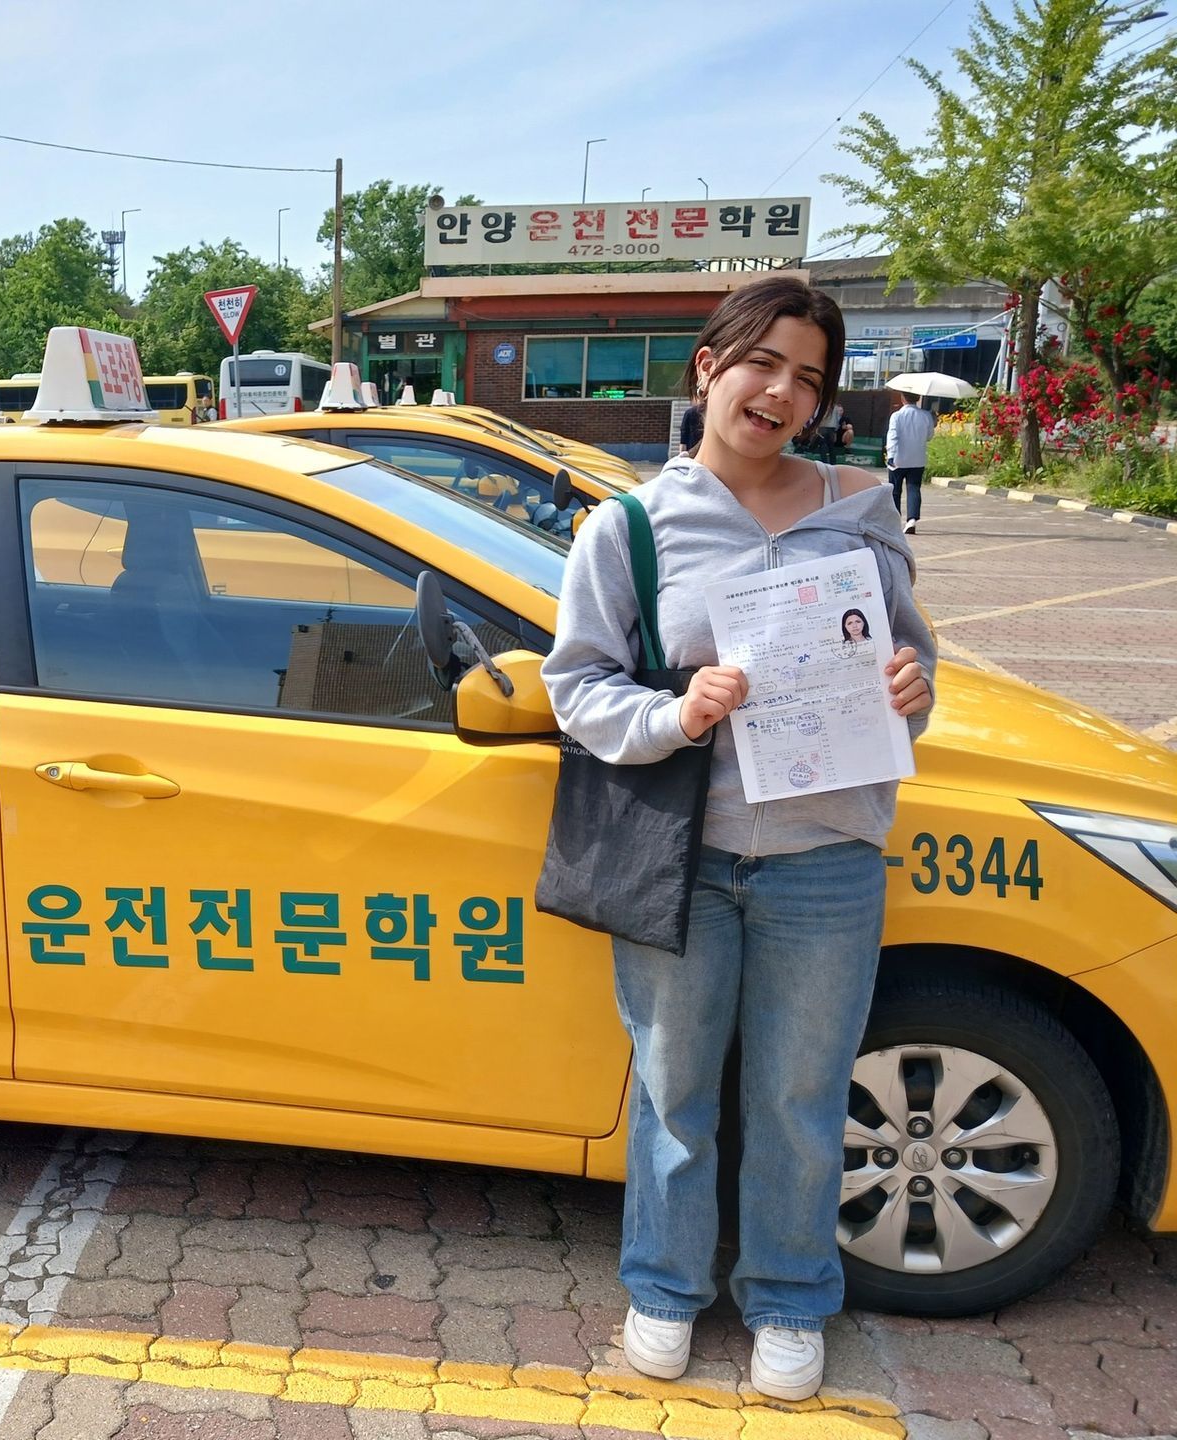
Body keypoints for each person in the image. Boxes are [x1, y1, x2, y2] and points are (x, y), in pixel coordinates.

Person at [542, 275, 935, 1403]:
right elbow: (579, 687)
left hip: (827, 858)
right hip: (685, 860)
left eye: (809, 377)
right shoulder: (630, 528)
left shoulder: (859, 513)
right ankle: (664, 1287)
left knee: (801, 1096)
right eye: (764, 363)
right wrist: (675, 714)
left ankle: (789, 1298)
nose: (782, 392)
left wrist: (910, 687)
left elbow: (913, 673)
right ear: (710, 366)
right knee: (673, 1088)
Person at [887, 391, 937, 534]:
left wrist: (891, 455)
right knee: (914, 488)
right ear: (918, 398)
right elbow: (929, 436)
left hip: (898, 459)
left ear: (902, 398)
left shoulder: (897, 416)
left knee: (895, 491)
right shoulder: (926, 416)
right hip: (917, 459)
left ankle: (896, 521)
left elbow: (892, 436)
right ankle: (912, 520)